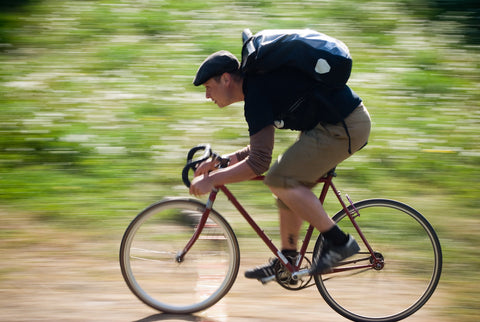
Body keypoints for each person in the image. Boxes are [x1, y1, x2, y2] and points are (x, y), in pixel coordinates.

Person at [189, 46, 371, 281]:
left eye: (208, 88)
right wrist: (222, 161)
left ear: (225, 79)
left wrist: (213, 180)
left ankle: (339, 242)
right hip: (328, 126)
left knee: (280, 179)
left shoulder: (256, 92)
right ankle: (288, 261)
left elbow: (259, 162)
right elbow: (258, 151)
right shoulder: (256, 89)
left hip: (343, 127)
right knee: (285, 185)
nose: (207, 96)